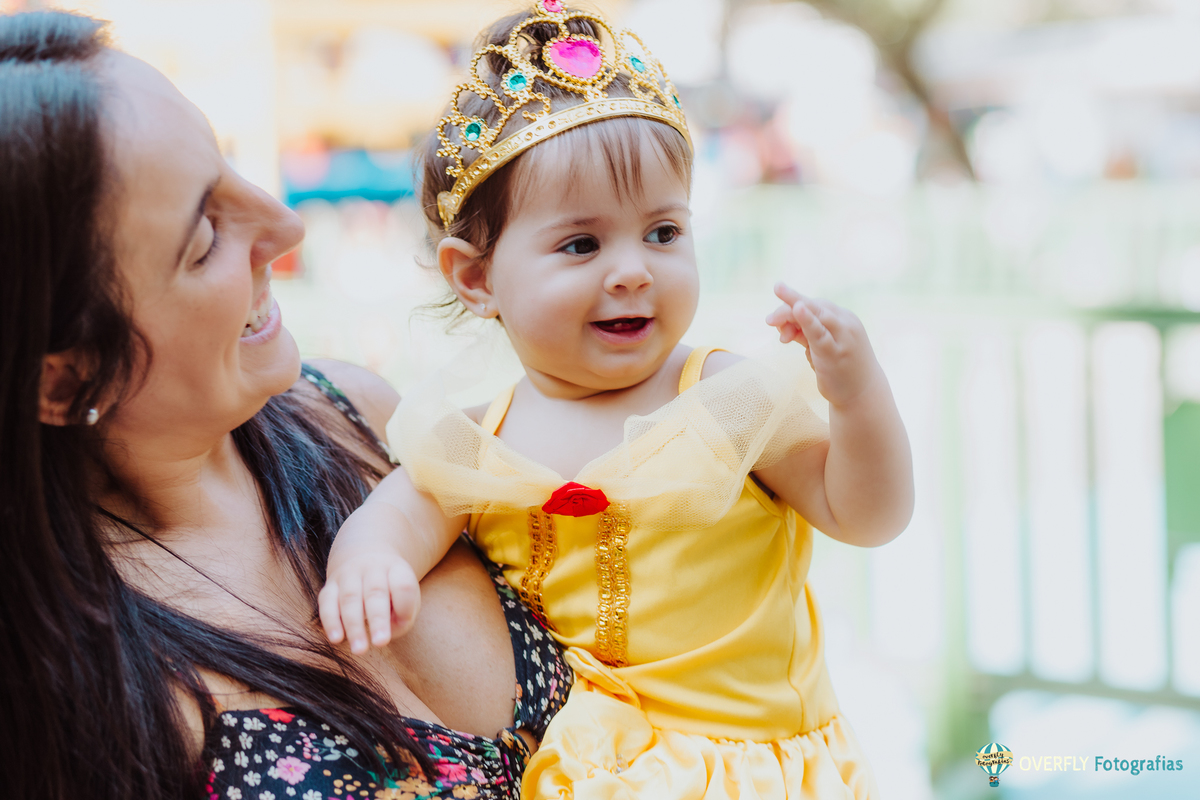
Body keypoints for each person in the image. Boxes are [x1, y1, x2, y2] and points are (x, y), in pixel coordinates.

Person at [322, 2, 914, 798]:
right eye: (582, 244)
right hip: (589, 767)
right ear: (475, 277)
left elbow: (867, 514)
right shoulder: (477, 441)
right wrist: (367, 567)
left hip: (749, 765)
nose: (634, 270)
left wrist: (858, 397)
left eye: (664, 233)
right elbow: (394, 518)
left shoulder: (724, 396)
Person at [0, 10, 570, 800]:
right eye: (204, 240)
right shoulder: (69, 692)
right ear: (63, 380)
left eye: (228, 165)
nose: (284, 223)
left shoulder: (362, 415)